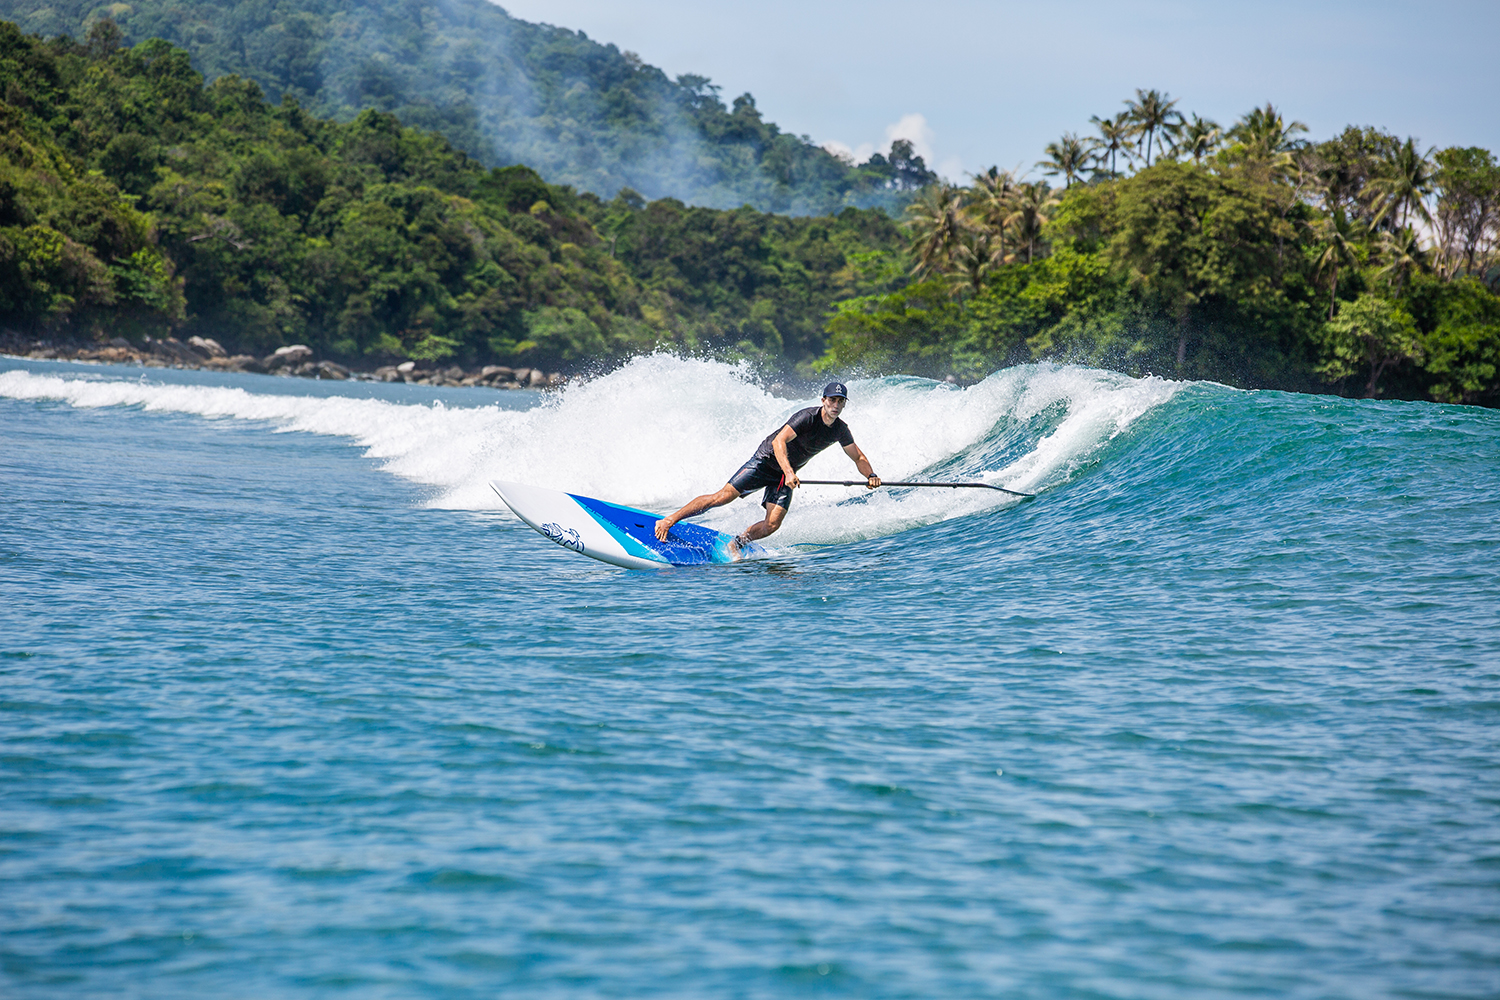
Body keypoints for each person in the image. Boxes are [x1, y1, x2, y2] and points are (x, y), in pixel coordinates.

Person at [654, 382, 881, 553]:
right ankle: (668, 520)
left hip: (784, 476)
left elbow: (858, 456)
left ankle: (737, 543)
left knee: (772, 524)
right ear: (823, 400)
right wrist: (790, 472)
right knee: (722, 497)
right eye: (832, 400)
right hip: (765, 462)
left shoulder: (840, 429)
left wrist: (870, 474)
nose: (836, 405)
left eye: (841, 401)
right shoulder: (806, 417)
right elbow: (778, 442)